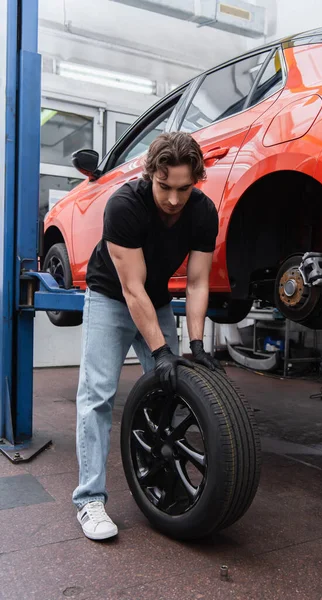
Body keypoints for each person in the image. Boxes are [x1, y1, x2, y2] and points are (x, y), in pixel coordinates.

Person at [73, 132, 223, 541]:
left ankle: (162, 477)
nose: (174, 199)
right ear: (150, 175)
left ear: (196, 180)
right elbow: (130, 289)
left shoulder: (203, 211)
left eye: (184, 188)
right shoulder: (123, 206)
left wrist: (194, 346)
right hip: (111, 296)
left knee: (172, 392)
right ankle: (89, 499)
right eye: (164, 187)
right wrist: (160, 351)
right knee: (97, 396)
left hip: (156, 300)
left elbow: (196, 282)